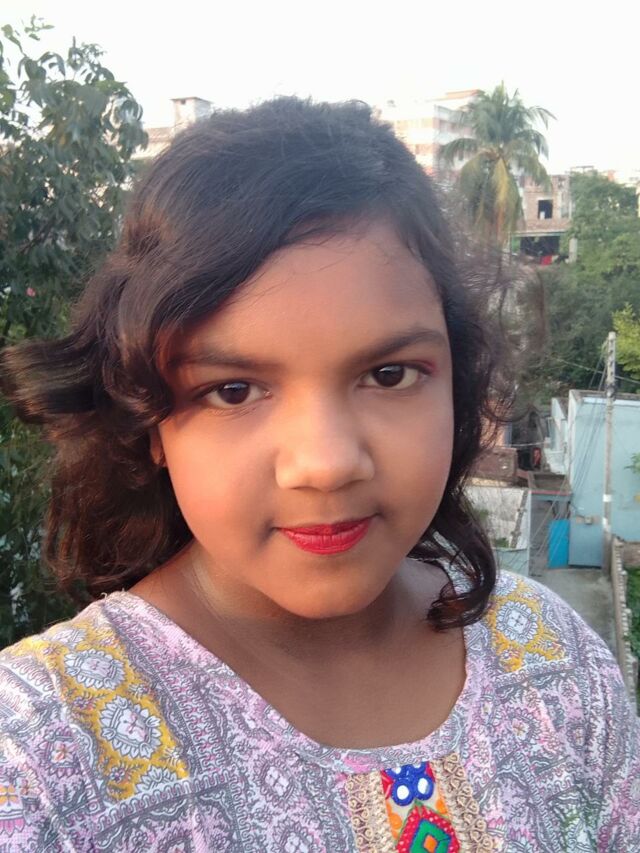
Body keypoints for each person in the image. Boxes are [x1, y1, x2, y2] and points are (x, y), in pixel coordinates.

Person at [0, 97, 637, 853]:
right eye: (232, 390)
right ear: (148, 422)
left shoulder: (554, 661)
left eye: (390, 374)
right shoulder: (41, 754)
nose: (326, 463)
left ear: (458, 383)